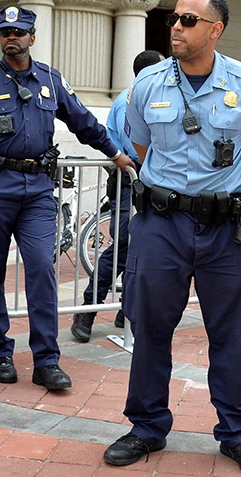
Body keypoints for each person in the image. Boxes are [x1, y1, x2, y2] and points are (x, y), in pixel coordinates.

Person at [103, 0, 241, 476]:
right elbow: (140, 149)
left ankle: (237, 433)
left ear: (215, 30)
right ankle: (146, 427)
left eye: (188, 20)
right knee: (150, 327)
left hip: (227, 230)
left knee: (230, 332)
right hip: (162, 224)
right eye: (174, 19)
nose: (175, 26)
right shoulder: (148, 86)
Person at [0, 6, 134, 391]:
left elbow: (83, 122)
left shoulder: (50, 81)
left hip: (38, 191)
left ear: (32, 37)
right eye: (5, 31)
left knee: (43, 267)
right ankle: (0, 351)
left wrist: (114, 153)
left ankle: (46, 360)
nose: (12, 37)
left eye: (20, 31)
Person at [70, 49, 164, 342]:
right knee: (124, 244)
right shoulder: (133, 99)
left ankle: (128, 310)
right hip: (133, 181)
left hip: (151, 182)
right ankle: (88, 309)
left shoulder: (145, 96)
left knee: (147, 247)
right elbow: (131, 146)